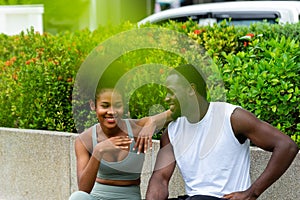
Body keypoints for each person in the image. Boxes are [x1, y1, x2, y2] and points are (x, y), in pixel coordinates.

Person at [146, 64, 299, 200]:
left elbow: (286, 146)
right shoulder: (172, 132)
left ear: (191, 90)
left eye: (171, 92)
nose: (166, 98)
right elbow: (160, 177)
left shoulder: (231, 118)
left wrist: (251, 193)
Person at [69, 63, 171, 200]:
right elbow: (83, 188)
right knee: (77, 197)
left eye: (118, 105)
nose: (111, 112)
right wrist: (99, 151)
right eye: (105, 106)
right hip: (96, 197)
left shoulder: (137, 128)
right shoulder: (84, 140)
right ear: (93, 106)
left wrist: (151, 123)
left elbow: (173, 112)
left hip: (129, 197)